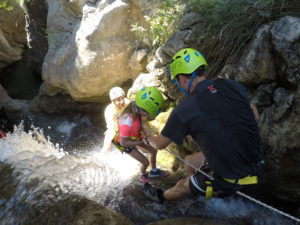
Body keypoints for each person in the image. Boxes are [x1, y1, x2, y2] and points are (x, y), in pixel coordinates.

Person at [143, 48, 263, 202]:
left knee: (181, 185)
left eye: (177, 80)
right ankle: (200, 183)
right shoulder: (230, 84)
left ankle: (160, 197)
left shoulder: (184, 109)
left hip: (231, 180)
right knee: (191, 162)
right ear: (203, 71)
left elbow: (159, 144)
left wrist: (148, 138)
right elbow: (255, 115)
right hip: (256, 162)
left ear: (182, 78)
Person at [112, 86, 168, 183]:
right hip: (125, 143)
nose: (147, 116)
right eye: (147, 113)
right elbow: (124, 143)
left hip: (134, 138)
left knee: (153, 151)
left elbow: (138, 126)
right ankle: (142, 175)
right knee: (145, 162)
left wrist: (143, 133)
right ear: (142, 108)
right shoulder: (126, 122)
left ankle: (154, 171)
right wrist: (140, 142)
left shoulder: (136, 108)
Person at [100, 87, 130, 156]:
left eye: (122, 98)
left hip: (128, 125)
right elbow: (113, 130)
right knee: (109, 140)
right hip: (115, 128)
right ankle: (102, 157)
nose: (122, 102)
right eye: (118, 100)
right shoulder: (109, 111)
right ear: (113, 101)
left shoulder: (128, 103)